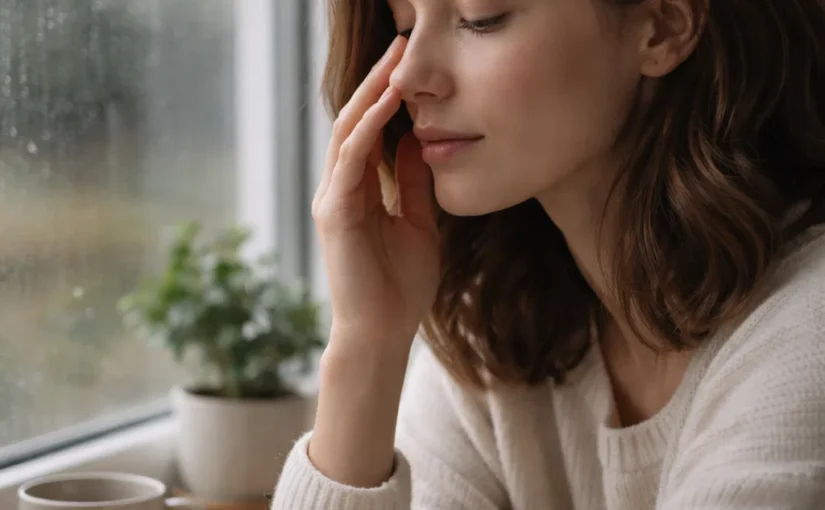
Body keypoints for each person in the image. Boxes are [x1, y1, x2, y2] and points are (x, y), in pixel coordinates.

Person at [272, 0, 825, 508]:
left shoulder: (806, 332)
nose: (407, 76)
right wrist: (367, 343)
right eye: (405, 25)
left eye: (480, 18)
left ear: (662, 26)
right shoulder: (499, 331)